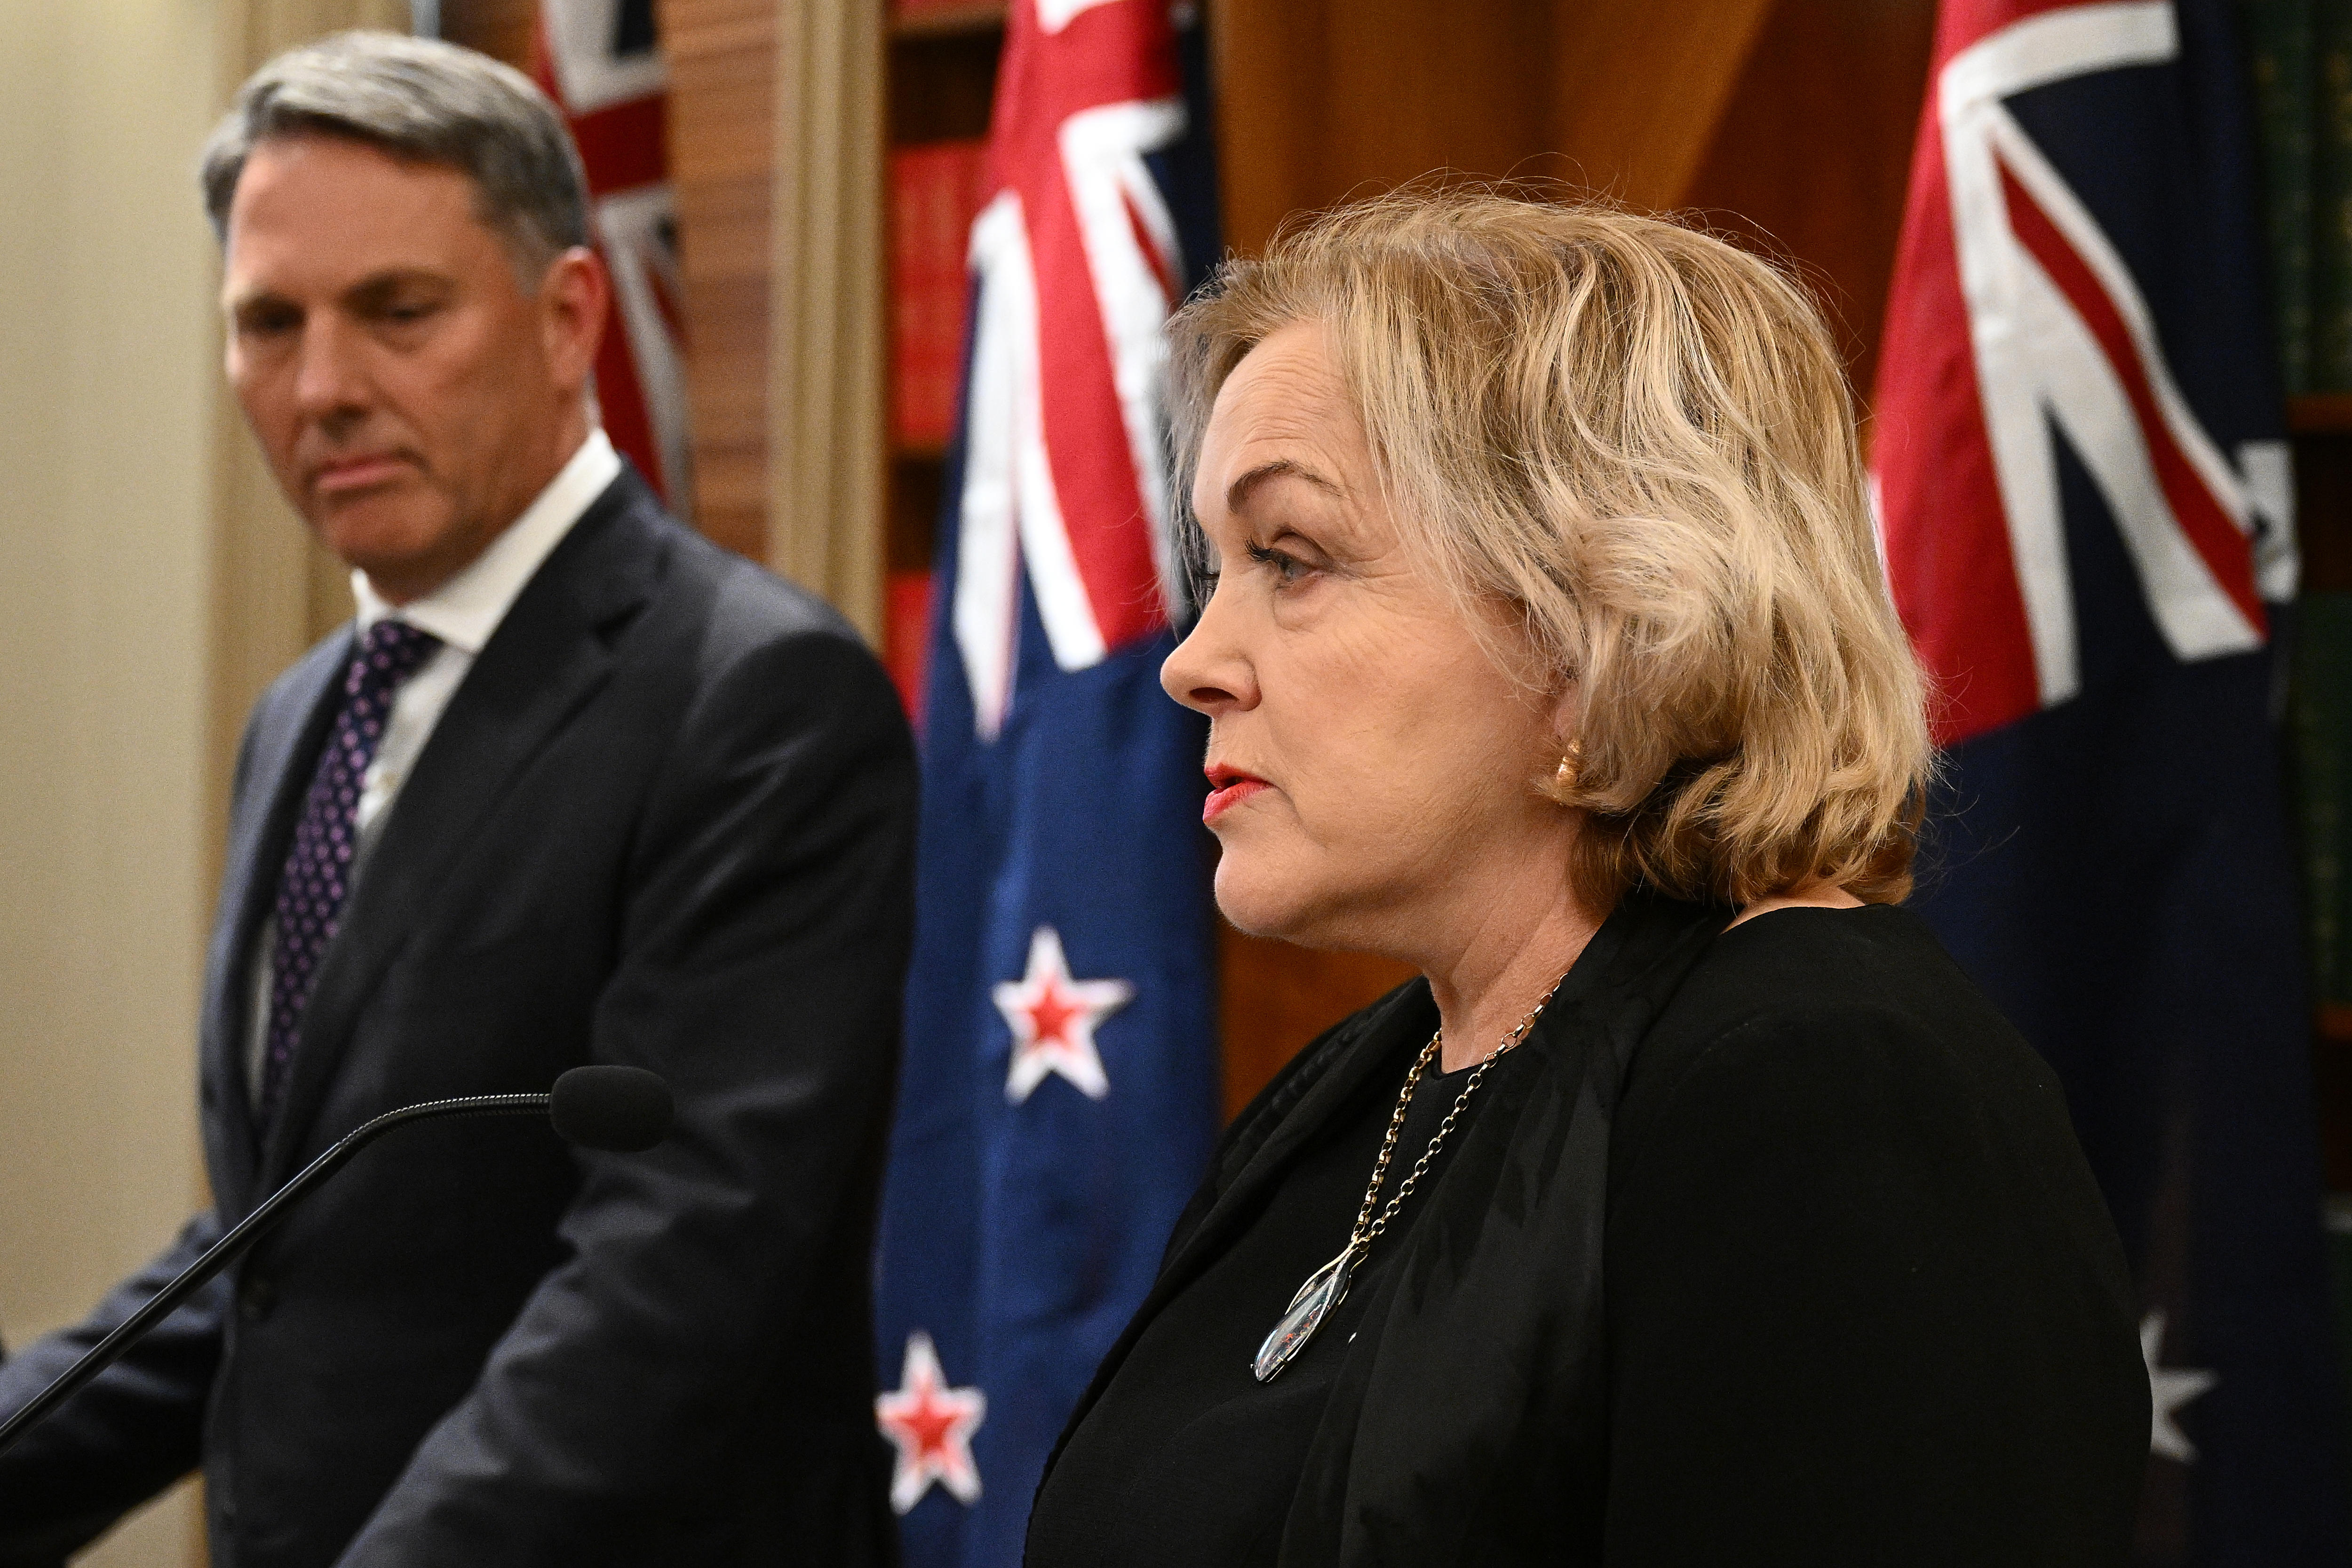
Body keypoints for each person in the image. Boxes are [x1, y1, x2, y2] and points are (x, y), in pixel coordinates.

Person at [1025, 192, 2151, 1566]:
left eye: (1293, 560)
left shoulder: (1822, 1083)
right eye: (1215, 569)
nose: (1191, 659)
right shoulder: (1350, 1095)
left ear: (1595, 631)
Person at [0, 33, 914, 1567]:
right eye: (268, 323)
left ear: (567, 318)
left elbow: (668, 1284)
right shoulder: (305, 714)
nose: (325, 385)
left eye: (397, 313)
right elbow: (274, 1260)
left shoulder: (757, 700)